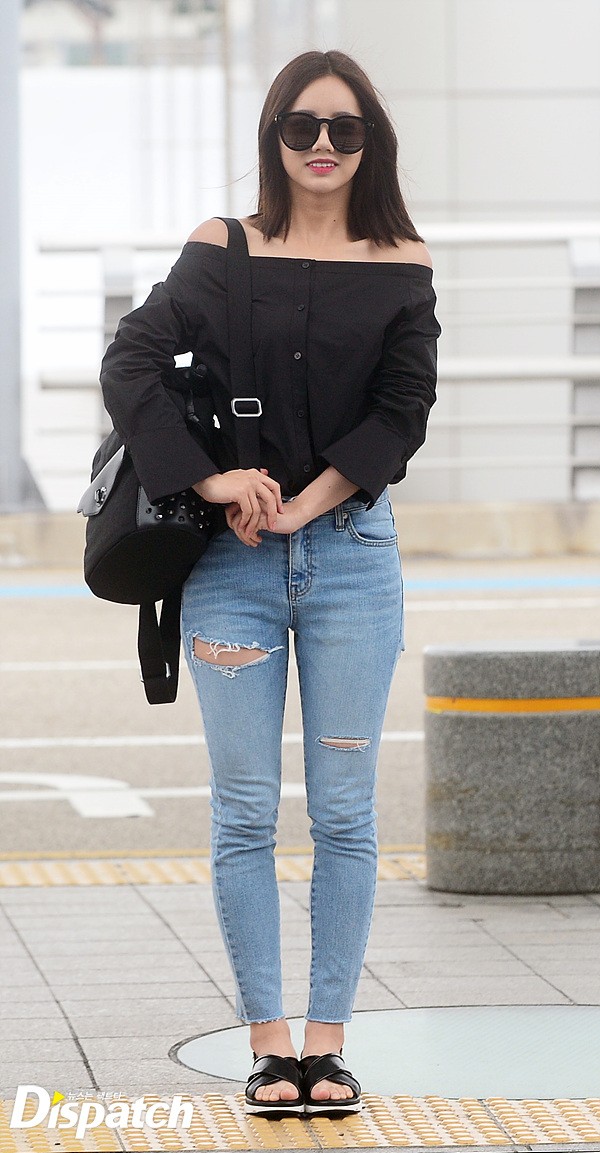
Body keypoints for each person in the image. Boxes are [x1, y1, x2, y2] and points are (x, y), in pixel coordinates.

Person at [100, 48, 441, 1118]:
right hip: (230, 570)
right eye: (303, 126)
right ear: (274, 137)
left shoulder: (401, 260)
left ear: (371, 142)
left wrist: (310, 499)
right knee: (245, 811)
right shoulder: (223, 246)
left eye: (345, 128)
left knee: (344, 813)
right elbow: (130, 361)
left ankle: (328, 1046)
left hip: (352, 560)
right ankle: (268, 1046)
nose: (324, 145)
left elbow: (403, 409)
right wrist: (209, 477)